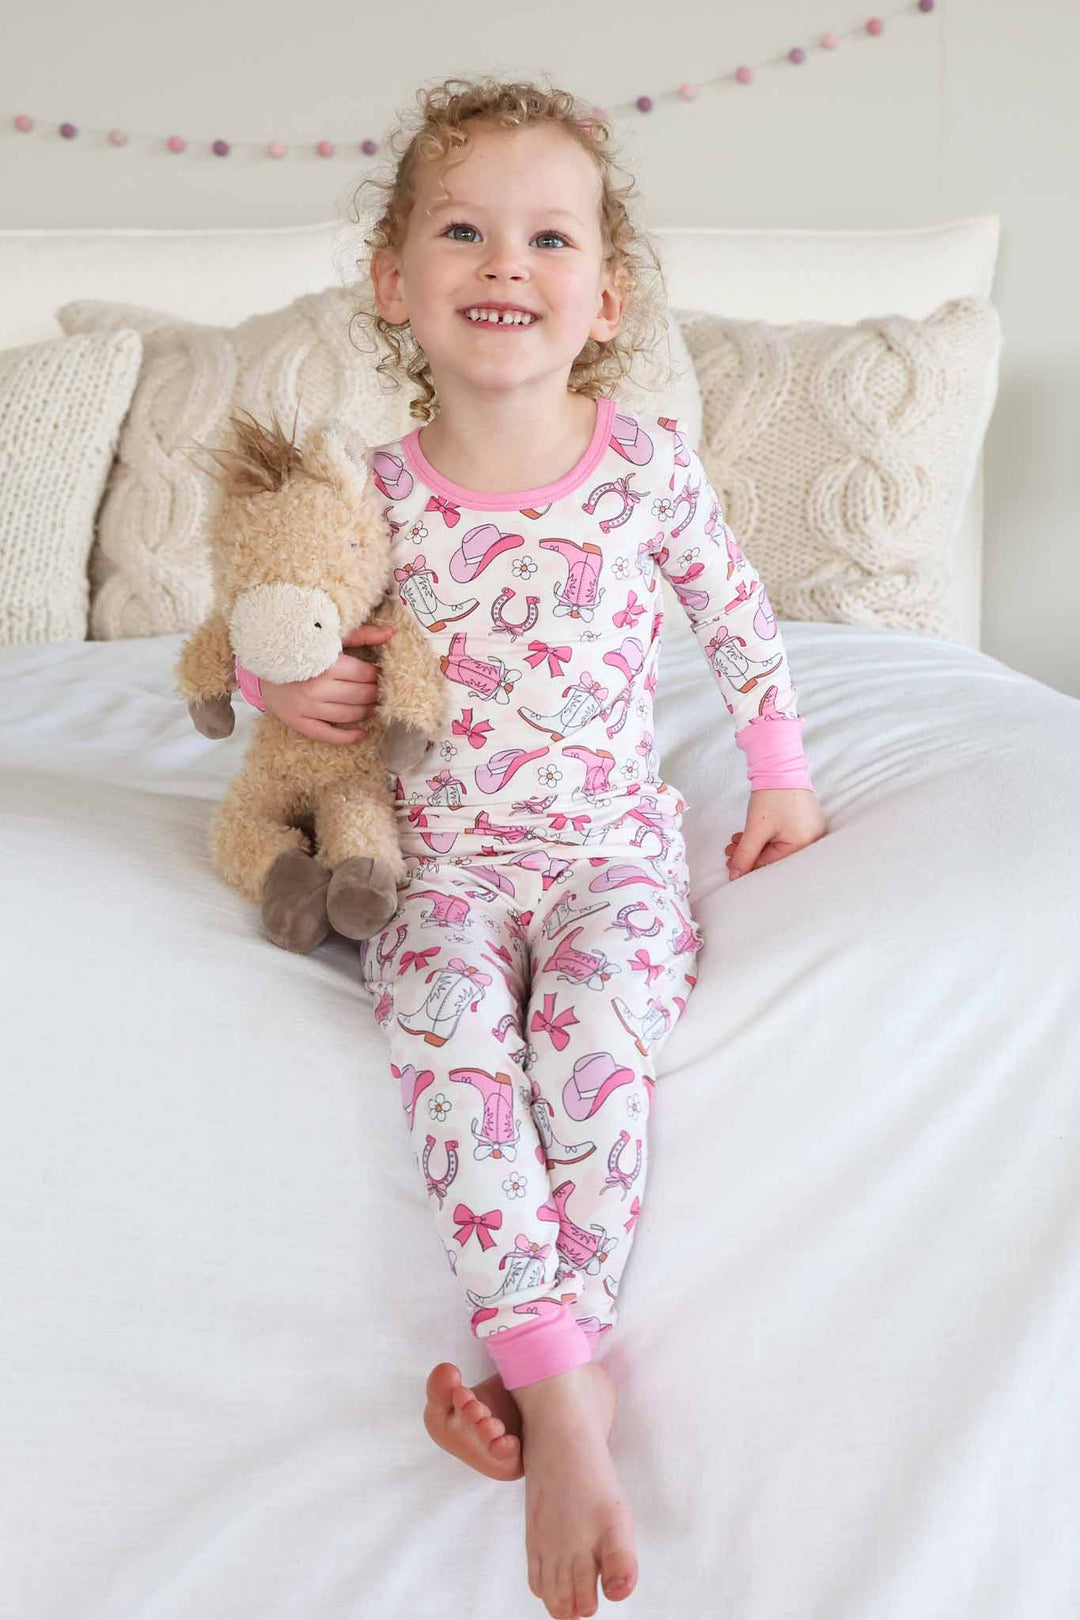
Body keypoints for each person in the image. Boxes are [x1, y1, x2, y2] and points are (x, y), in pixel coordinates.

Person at [235, 76, 827, 1620]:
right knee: (442, 1025)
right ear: (393, 282)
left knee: (589, 1040)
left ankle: (553, 1374)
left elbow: (737, 615)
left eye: (549, 237)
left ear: (606, 296)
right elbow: (283, 629)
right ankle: (572, 1385)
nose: (507, 265)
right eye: (463, 230)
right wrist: (280, 684)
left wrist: (779, 775)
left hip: (613, 858)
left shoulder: (641, 464)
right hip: (441, 869)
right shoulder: (370, 495)